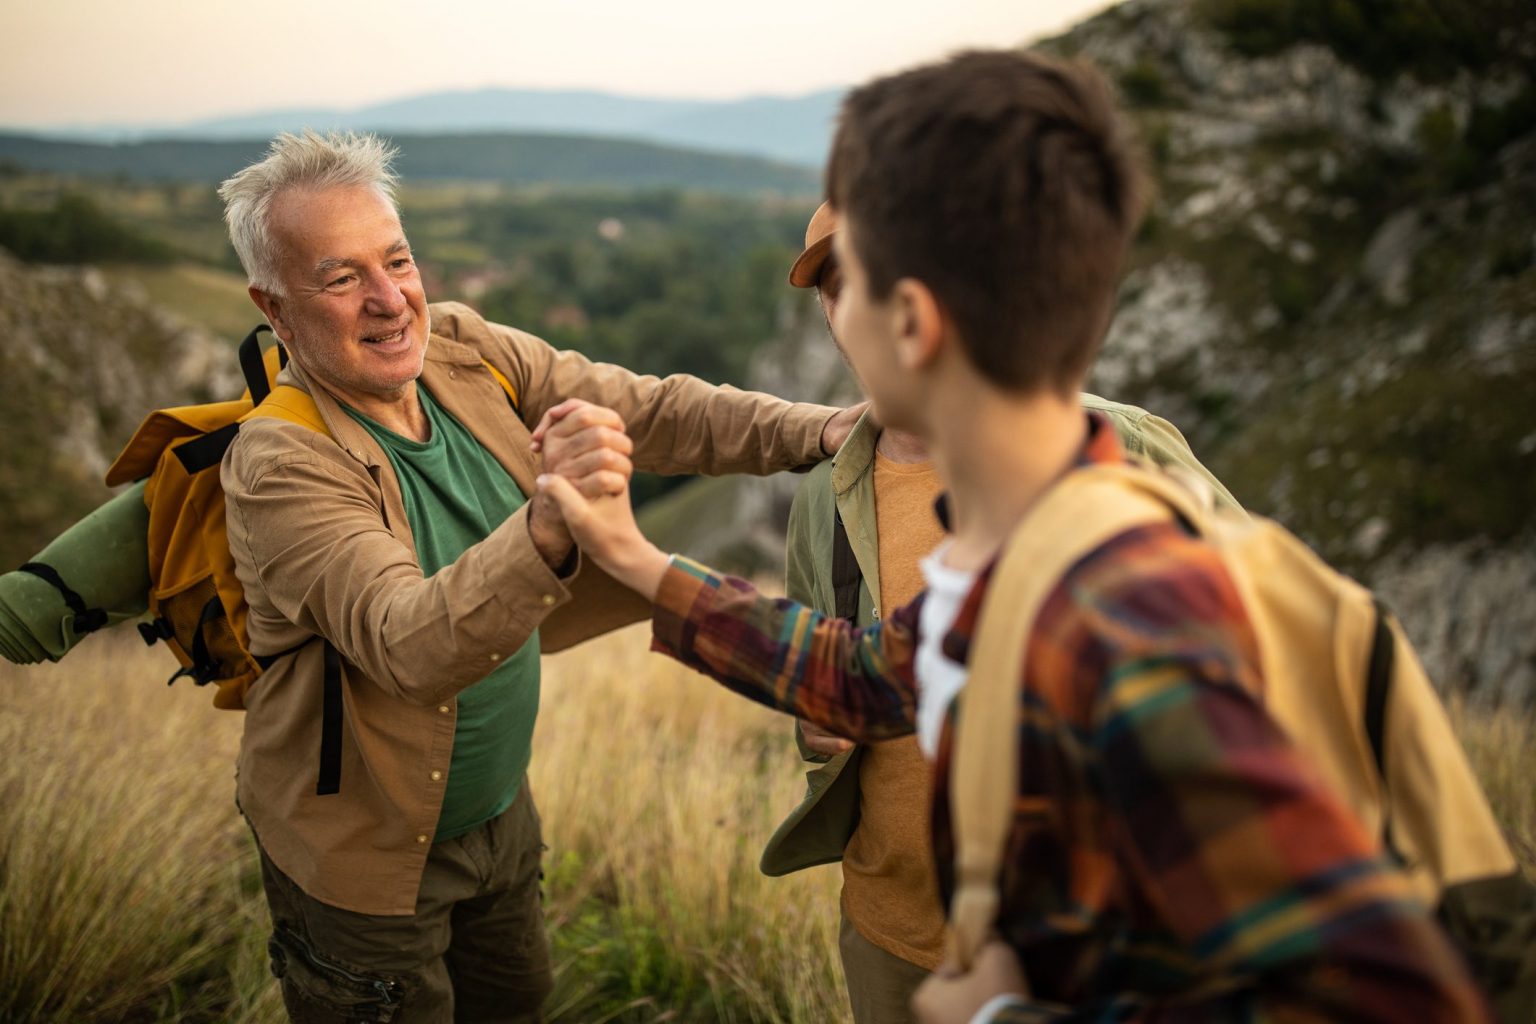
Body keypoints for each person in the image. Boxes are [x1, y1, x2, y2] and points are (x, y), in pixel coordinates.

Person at [535, 49, 1493, 1023]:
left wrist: (1004, 1015)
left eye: (852, 281)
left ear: (911, 321)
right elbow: (867, 676)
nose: (828, 312)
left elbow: (1364, 989)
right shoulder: (1012, 558)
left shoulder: (1130, 614)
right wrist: (631, 557)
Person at [215, 129, 858, 1023]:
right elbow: (411, 644)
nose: (390, 299)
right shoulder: (281, 462)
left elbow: (651, 408)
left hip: (500, 815)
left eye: (396, 261)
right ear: (276, 310)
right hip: (365, 861)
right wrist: (550, 518)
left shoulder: (464, 353)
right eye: (339, 278)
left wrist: (818, 429)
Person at [763, 202, 1239, 1024]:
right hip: (894, 940)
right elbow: (826, 690)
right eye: (840, 287)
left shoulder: (1117, 446)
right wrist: (814, 729)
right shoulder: (823, 499)